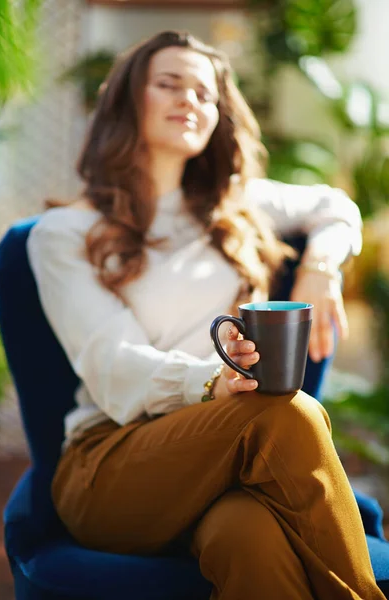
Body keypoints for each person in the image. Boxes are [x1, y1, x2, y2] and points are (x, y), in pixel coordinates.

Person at [27, 30, 384, 600]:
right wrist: (212, 382)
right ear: (126, 101)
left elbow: (334, 206)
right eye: (169, 84)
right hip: (112, 465)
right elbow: (111, 363)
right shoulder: (64, 233)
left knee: (250, 539)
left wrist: (321, 267)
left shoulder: (238, 206)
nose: (190, 100)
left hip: (227, 473)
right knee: (285, 412)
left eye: (204, 93)